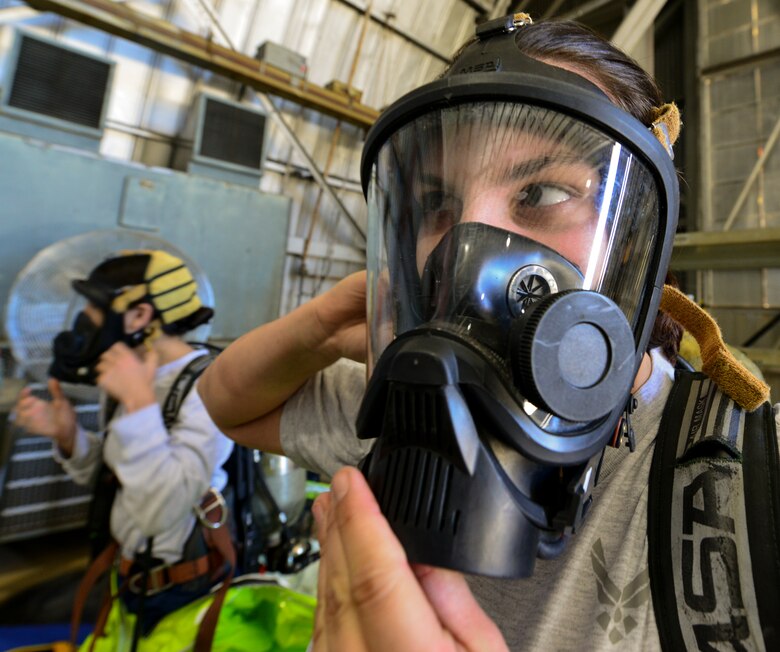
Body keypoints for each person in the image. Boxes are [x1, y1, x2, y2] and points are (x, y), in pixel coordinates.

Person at [198, 14, 780, 652]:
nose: (461, 248)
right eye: (437, 205)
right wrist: (318, 328)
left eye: (542, 192)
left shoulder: (741, 481)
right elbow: (225, 404)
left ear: (635, 240)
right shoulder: (411, 408)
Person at [14, 249, 234, 638]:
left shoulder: (210, 388)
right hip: (127, 569)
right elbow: (119, 472)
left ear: (139, 316)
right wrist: (70, 437)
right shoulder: (128, 374)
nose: (84, 320)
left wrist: (138, 403)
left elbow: (161, 511)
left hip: (180, 587)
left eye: (94, 308)